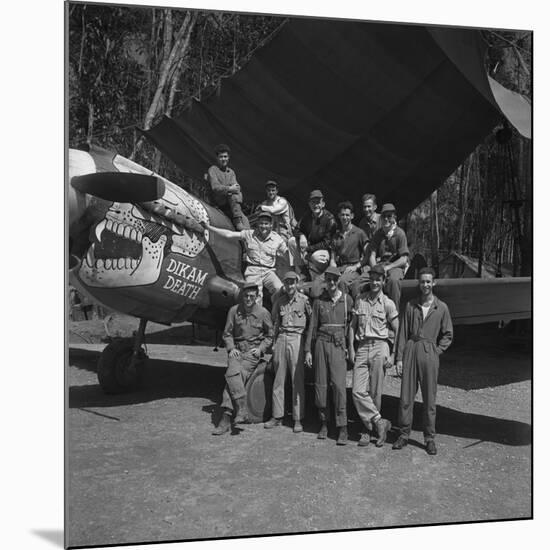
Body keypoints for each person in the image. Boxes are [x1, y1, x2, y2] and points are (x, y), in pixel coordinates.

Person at [392, 267, 453, 455]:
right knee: (406, 397)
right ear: (419, 283)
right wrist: (400, 358)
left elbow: (448, 334)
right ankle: (403, 434)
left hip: (429, 353)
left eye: (428, 281)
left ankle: (429, 438)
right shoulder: (411, 305)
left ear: (433, 283)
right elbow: (402, 333)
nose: (425, 285)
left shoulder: (441, 307)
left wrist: (436, 351)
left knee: (429, 399)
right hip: (411, 348)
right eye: (422, 281)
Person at [212, 282, 273, 435]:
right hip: (237, 352)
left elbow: (270, 335)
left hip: (251, 354)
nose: (248, 299)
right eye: (245, 296)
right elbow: (227, 333)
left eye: (252, 296)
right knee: (232, 374)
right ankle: (242, 409)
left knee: (236, 377)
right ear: (242, 296)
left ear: (257, 297)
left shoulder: (263, 313)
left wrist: (260, 350)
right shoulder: (234, 311)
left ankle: (225, 418)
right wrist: (231, 348)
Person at [348, 264, 398, 447]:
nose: (375, 282)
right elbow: (352, 326)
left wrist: (393, 354)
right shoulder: (360, 299)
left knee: (376, 392)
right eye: (373, 278)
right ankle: (379, 421)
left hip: (380, 346)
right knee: (357, 391)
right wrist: (351, 349)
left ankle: (367, 431)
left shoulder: (388, 303)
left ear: (384, 281)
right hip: (362, 347)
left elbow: (398, 328)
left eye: (379, 279)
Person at [305, 266, 353, 445]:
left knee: (339, 387)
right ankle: (324, 423)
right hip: (321, 344)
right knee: (321, 385)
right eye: (328, 279)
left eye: (334, 279)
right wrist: (308, 350)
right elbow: (312, 327)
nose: (331, 282)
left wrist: (350, 347)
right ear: (325, 280)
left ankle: (342, 427)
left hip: (338, 345)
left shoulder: (347, 300)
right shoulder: (319, 302)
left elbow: (352, 326)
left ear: (339, 280)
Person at [202, 211, 287, 305]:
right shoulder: (249, 234)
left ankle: (276, 314)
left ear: (271, 225)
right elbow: (228, 234)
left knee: (281, 290)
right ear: (258, 224)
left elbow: (287, 253)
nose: (264, 226)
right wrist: (208, 227)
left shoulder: (277, 239)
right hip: (253, 270)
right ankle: (255, 318)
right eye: (261, 223)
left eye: (266, 223)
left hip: (269, 272)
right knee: (253, 297)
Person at [264, 271, 312, 433]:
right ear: (284, 284)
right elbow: (274, 322)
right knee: (279, 379)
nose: (290, 286)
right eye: (287, 283)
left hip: (297, 339)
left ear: (297, 283)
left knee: (297, 380)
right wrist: (273, 343)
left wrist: (308, 348)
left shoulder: (304, 301)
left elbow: (312, 324)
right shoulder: (280, 302)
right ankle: (277, 416)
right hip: (282, 338)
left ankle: (297, 419)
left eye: (292, 283)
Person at [367, 203, 409, 308]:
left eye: (389, 216)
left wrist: (387, 268)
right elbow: (372, 255)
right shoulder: (378, 234)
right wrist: (375, 270)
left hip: (395, 266)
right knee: (362, 280)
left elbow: (404, 259)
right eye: (383, 216)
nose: (386, 219)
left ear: (394, 217)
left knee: (393, 282)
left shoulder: (400, 234)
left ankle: (394, 315)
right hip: (379, 266)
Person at [289, 189, 338, 280]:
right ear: (309, 204)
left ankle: (322, 274)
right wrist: (301, 235)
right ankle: (303, 271)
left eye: (318, 202)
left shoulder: (330, 219)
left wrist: (308, 250)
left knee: (318, 259)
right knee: (292, 241)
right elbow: (296, 230)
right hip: (309, 248)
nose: (316, 205)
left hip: (322, 251)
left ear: (323, 204)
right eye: (313, 202)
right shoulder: (307, 216)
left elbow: (327, 243)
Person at [205, 143, 249, 230]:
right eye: (221, 157)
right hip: (218, 203)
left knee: (246, 221)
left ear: (228, 158)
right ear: (217, 158)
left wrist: (233, 190)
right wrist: (229, 189)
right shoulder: (213, 169)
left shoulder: (231, 172)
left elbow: (237, 187)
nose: (223, 159)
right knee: (233, 195)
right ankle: (238, 223)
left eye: (225, 156)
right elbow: (215, 187)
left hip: (231, 205)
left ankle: (246, 239)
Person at [331, 201, 368, 288]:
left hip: (353, 269)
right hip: (339, 268)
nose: (345, 217)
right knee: (318, 284)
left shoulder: (359, 233)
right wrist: (332, 269)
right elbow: (332, 258)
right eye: (342, 215)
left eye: (347, 215)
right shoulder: (336, 235)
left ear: (352, 216)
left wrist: (356, 266)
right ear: (339, 216)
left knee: (342, 281)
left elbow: (368, 254)